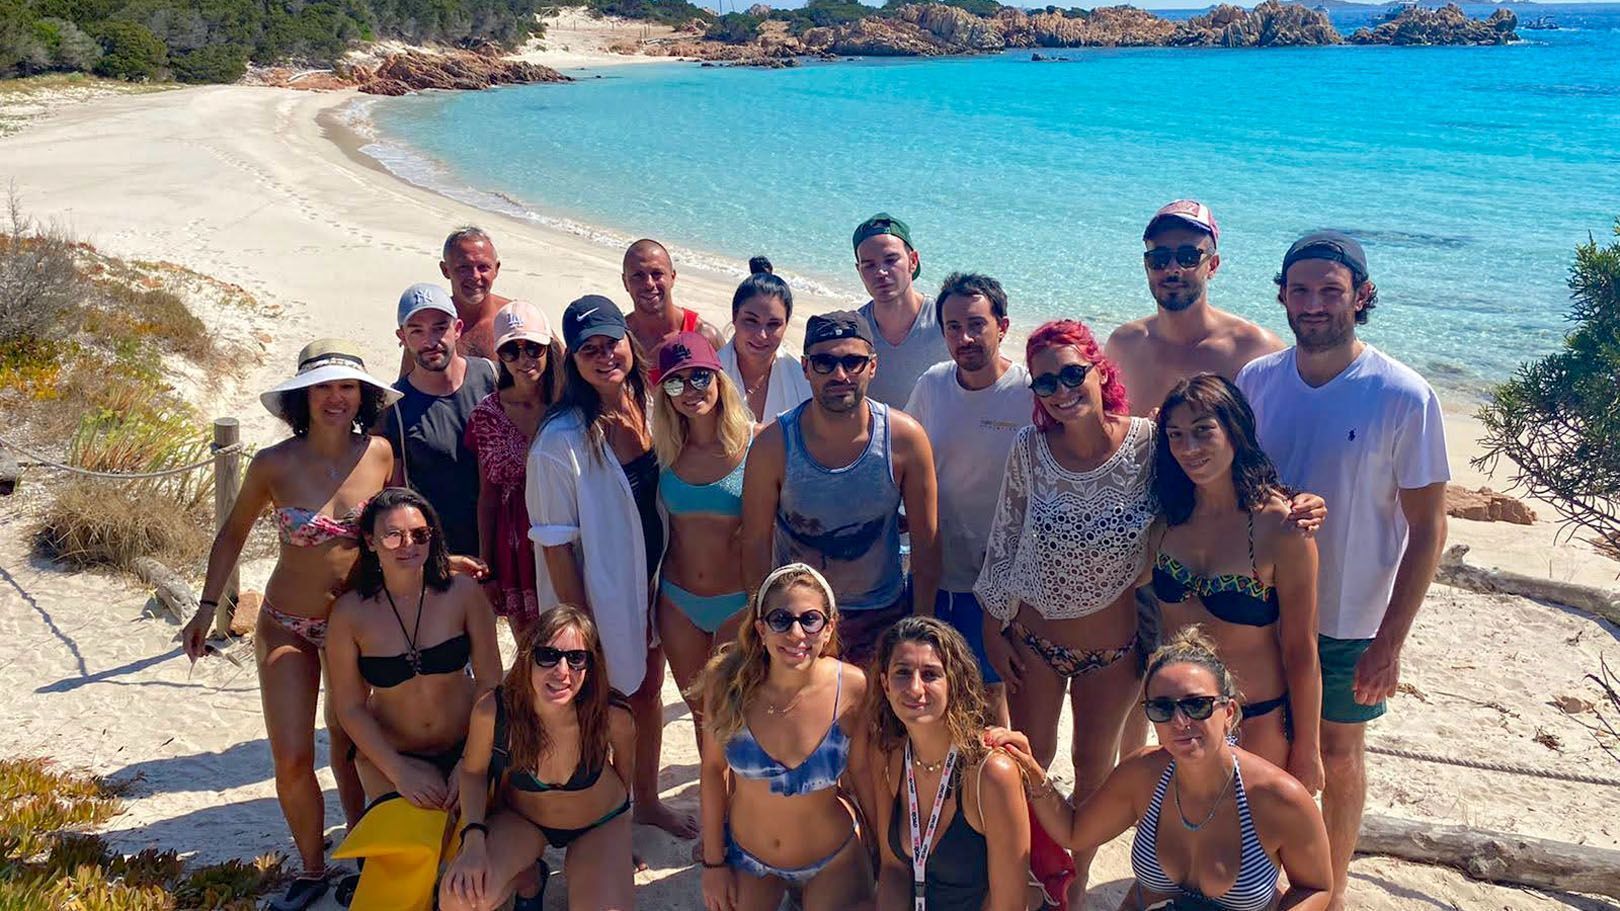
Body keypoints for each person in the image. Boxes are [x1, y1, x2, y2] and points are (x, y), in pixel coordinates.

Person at [1236, 231, 1449, 911]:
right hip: (1259, 605)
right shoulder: (1258, 380)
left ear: (1361, 295)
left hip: (1350, 614)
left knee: (1337, 749)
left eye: (1331, 290)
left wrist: (1391, 640)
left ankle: (1328, 887)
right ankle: (1256, 878)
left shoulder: (1402, 395)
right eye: (1300, 290)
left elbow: (1428, 528)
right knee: (1262, 743)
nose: (1314, 304)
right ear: (1281, 295)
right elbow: (1238, 487)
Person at [180, 339, 398, 911]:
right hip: (285, 625)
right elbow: (232, 534)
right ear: (304, 395)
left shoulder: (379, 453)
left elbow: (403, 529)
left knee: (353, 750)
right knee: (293, 756)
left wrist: (447, 569)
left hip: (355, 630)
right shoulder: (272, 463)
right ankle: (310, 867)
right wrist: (207, 607)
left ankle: (364, 857)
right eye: (324, 387)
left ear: (363, 394)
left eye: (347, 386)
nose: (336, 398)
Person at [974, 318, 1153, 904]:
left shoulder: (1149, 445)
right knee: (1031, 758)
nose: (1061, 390)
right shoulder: (1030, 449)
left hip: (1116, 648)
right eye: (1045, 383)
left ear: (1101, 372)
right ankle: (1027, 867)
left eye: (1073, 374)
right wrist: (992, 629)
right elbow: (1002, 542)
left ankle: (1071, 881)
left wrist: (1287, 505)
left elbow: (1212, 490)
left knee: (1093, 764)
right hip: (1033, 638)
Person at [1107, 200, 1285, 760]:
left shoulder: (1254, 351)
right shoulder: (1124, 346)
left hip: (1223, 549)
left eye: (1188, 255)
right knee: (1137, 692)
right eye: (1160, 257)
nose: (1172, 268)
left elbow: (1269, 453)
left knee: (1227, 690)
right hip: (1139, 546)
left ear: (1214, 263)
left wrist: (1297, 503)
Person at [996, 626, 1334, 911]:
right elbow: (1074, 831)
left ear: (1229, 712)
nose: (1180, 721)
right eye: (1162, 709)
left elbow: (1317, 886)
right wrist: (1031, 769)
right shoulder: (1143, 774)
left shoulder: (1277, 797)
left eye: (1197, 705)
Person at [527, 293, 696, 839]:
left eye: (611, 343)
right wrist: (582, 631)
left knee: (648, 694)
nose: (604, 357)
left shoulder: (649, 406)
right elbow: (554, 546)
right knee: (598, 708)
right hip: (599, 598)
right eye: (588, 350)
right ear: (572, 361)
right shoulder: (559, 442)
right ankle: (602, 820)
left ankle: (644, 802)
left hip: (654, 582)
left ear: (629, 342)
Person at [1151, 375, 1323, 792]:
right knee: (1187, 844)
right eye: (1175, 435)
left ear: (1235, 430)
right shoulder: (1163, 517)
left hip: (1257, 719)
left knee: (1254, 850)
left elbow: (1301, 649)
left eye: (1203, 430)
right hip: (1178, 719)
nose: (1188, 448)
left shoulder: (1281, 527)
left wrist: (1308, 748)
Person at [740, 310, 940, 666]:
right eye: (824, 362)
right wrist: (764, 623)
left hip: (880, 614)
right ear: (805, 367)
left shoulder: (905, 439)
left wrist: (919, 628)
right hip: (798, 619)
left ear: (873, 366)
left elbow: (927, 545)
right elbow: (755, 540)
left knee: (871, 721)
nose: (840, 374)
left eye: (853, 361)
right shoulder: (774, 445)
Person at [694, 564, 873, 911]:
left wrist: (884, 850)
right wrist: (713, 865)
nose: (796, 633)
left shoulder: (852, 687)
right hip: (750, 859)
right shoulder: (726, 684)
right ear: (760, 629)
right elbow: (714, 772)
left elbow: (863, 773)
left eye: (810, 620)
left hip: (832, 857)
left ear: (829, 627)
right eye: (781, 619)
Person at [439, 606, 637, 911]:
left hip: (599, 822)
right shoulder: (494, 712)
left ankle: (593, 866)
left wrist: (618, 849)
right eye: (548, 655)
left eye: (576, 659)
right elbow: (473, 773)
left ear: (590, 665)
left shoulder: (612, 716)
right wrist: (474, 839)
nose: (562, 671)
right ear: (528, 655)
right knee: (459, 900)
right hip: (523, 820)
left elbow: (624, 780)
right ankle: (528, 878)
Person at [903, 273, 1029, 727]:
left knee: (994, 693)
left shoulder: (1029, 393)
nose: (965, 337)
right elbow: (903, 457)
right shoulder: (933, 384)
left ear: (1004, 325)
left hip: (1001, 580)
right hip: (935, 569)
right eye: (953, 327)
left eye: (977, 324)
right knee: (935, 688)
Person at [325, 487, 502, 811]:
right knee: (409, 856)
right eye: (393, 536)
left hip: (469, 743)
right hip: (395, 755)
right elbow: (350, 707)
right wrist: (398, 770)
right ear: (370, 541)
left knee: (489, 852)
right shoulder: (350, 613)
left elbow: (490, 681)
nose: (408, 545)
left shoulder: (462, 593)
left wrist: (470, 761)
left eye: (419, 535)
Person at [864, 616, 1030, 911]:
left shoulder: (991, 773)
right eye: (903, 673)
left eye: (930, 674)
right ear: (885, 684)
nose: (915, 688)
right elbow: (893, 869)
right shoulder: (889, 754)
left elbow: (1009, 905)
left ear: (954, 682)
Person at [651, 330, 754, 724]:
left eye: (699, 376)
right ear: (666, 394)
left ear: (719, 378)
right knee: (701, 717)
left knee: (737, 718)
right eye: (676, 381)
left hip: (737, 604)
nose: (690, 389)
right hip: (678, 603)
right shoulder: (661, 450)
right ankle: (712, 791)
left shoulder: (755, 444)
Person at [465, 301, 565, 640]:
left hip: (568, 531)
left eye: (533, 348)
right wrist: (486, 567)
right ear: (499, 356)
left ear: (548, 350)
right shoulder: (487, 415)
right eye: (511, 350)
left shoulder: (568, 405)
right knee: (530, 646)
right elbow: (487, 497)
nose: (524, 360)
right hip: (516, 545)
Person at [378, 282, 498, 563]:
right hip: (441, 558)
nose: (430, 341)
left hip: (506, 548)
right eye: (417, 331)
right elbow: (395, 498)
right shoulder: (393, 408)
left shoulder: (491, 376)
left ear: (457, 329)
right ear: (402, 338)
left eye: (439, 327)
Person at [853, 213, 950, 407]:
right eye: (869, 265)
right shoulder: (854, 331)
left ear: (913, 261)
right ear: (859, 270)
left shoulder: (946, 322)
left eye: (891, 260)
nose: (880, 272)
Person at [400, 227, 510, 376]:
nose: (475, 276)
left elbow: (552, 373)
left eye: (483, 267)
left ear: (496, 269)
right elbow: (406, 385)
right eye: (464, 268)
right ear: (445, 270)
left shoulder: (516, 318)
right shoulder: (431, 324)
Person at [718, 260, 812, 424]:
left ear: (786, 324)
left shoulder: (803, 383)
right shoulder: (709, 375)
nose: (761, 335)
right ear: (734, 316)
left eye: (773, 324)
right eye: (751, 321)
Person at [621, 238, 724, 356]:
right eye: (638, 276)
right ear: (625, 282)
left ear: (672, 277)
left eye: (657, 274)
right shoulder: (619, 339)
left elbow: (727, 374)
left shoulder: (703, 336)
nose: (649, 283)